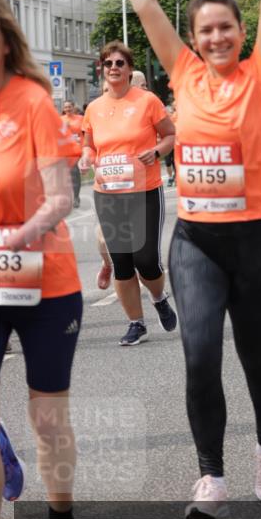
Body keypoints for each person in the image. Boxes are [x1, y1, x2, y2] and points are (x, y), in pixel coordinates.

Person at [92, 0, 261, 516]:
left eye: (225, 29)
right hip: (198, 241)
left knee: (256, 354)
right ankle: (210, 476)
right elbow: (146, 2)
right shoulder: (181, 74)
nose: (215, 38)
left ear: (240, 32)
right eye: (204, 30)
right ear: (193, 37)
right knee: (199, 351)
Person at [0, 0, 83, 519]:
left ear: (3, 38)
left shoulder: (32, 103)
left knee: (47, 418)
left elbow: (61, 196)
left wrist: (17, 235)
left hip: (44, 278)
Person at [79, 41, 177, 345]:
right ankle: (136, 323)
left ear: (128, 68)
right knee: (121, 261)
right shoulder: (94, 108)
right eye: (108, 64)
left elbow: (170, 134)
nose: (113, 68)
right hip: (108, 192)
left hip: (145, 189)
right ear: (102, 69)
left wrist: (157, 151)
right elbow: (89, 144)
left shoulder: (147, 101)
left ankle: (159, 297)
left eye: (119, 63)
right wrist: (85, 157)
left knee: (146, 259)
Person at [60, 100, 84, 208]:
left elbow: (85, 132)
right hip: (65, 150)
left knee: (74, 172)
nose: (68, 109)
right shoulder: (60, 120)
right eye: (66, 107)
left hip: (77, 149)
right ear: (63, 109)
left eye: (69, 107)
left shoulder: (80, 119)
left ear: (73, 107)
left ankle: (76, 198)